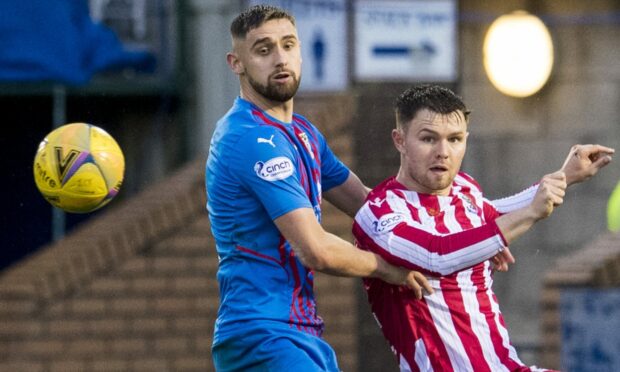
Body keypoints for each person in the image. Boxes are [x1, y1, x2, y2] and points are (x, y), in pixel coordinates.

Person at [352, 84, 614, 371]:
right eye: (428, 139)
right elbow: (436, 256)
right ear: (399, 140)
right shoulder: (379, 212)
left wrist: (564, 176)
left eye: (454, 139)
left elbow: (494, 213)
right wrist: (528, 216)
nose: (443, 152)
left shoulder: (464, 188)